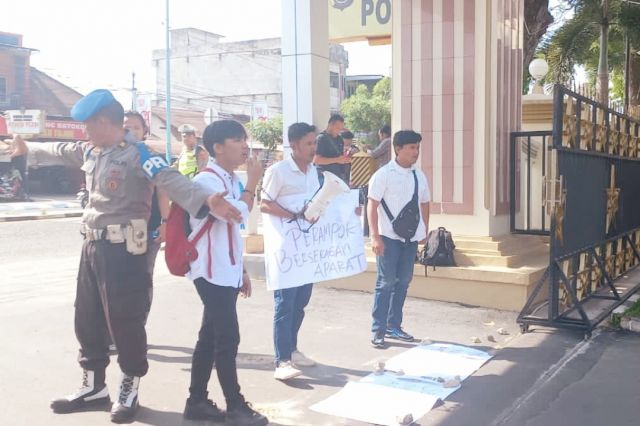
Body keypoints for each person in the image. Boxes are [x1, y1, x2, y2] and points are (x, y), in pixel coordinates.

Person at [17, 89, 241, 424]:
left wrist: (208, 201)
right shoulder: (92, 150)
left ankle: (129, 387)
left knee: (125, 322)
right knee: (87, 319)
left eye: (88, 125)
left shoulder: (138, 154)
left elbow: (171, 179)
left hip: (125, 252)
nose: (84, 132)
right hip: (92, 246)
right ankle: (93, 386)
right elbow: (60, 150)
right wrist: (27, 147)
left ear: (104, 122)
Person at [183, 119, 268, 426]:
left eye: (245, 139)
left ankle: (196, 402)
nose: (245, 145)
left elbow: (232, 233)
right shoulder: (208, 180)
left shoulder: (230, 179)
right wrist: (253, 183)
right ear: (218, 148)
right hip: (210, 271)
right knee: (227, 338)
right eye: (237, 140)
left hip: (226, 270)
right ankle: (235, 406)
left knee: (209, 337)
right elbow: (235, 215)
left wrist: (241, 270)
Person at [260, 122, 319, 381]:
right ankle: (281, 361)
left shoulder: (314, 171)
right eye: (308, 143)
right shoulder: (279, 171)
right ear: (293, 145)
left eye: (314, 143)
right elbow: (264, 204)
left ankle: (293, 350)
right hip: (285, 248)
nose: (313, 148)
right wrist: (294, 215)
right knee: (285, 304)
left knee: (300, 303)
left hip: (307, 248)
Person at [367, 130, 430, 349]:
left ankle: (394, 325)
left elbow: (425, 203)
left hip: (410, 239)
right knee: (385, 283)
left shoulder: (418, 175)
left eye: (417, 148)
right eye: (412, 147)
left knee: (403, 282)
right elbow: (372, 205)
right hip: (388, 237)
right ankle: (378, 329)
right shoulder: (383, 174)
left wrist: (424, 230)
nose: (416, 152)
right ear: (398, 149)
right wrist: (375, 237)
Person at [123, 111, 170, 316]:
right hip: (116, 231)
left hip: (146, 230)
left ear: (144, 132)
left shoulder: (151, 158)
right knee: (116, 281)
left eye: (136, 127)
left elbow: (163, 193)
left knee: (142, 279)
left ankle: (137, 328)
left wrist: (166, 222)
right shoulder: (108, 156)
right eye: (126, 127)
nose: (130, 131)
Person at [314, 113, 350, 184]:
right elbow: (316, 160)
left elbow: (340, 157)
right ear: (330, 125)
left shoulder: (339, 139)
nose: (339, 131)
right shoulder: (321, 139)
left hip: (338, 176)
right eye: (338, 128)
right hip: (324, 177)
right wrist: (337, 160)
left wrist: (346, 159)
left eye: (341, 129)